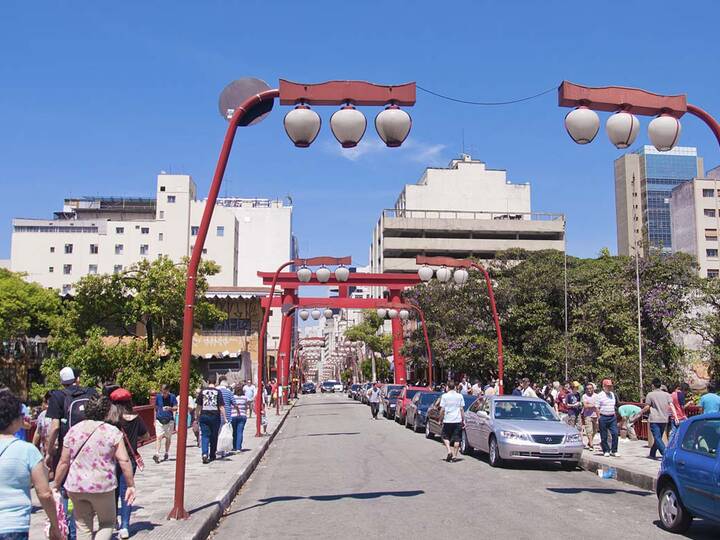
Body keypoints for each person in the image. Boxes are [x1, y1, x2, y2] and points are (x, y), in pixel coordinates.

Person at [53, 395, 136, 540]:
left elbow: (64, 461)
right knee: (107, 523)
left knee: (83, 526)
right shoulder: (112, 432)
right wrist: (130, 484)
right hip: (102, 485)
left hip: (76, 486)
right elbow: (124, 459)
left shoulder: (74, 430)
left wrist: (56, 484)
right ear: (106, 412)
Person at [0, 390, 63, 540]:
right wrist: (55, 525)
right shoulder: (27, 450)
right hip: (14, 525)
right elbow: (44, 493)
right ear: (15, 419)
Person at [45, 366, 97, 539]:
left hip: (67, 450)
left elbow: (54, 428)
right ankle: (84, 528)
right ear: (78, 379)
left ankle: (70, 531)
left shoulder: (57, 396)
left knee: (66, 491)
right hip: (90, 450)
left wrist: (49, 451)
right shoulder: (90, 392)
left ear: (61, 381)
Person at [108, 388, 148, 539]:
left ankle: (112, 521)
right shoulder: (136, 418)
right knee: (127, 491)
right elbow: (146, 434)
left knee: (112, 491)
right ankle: (125, 526)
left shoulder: (111, 420)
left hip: (111, 460)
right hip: (129, 460)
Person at [643, 378, 677, 460]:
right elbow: (672, 406)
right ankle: (652, 453)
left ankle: (666, 454)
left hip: (654, 419)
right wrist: (675, 416)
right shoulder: (667, 395)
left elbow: (647, 407)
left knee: (657, 438)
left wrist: (640, 412)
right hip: (664, 418)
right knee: (658, 437)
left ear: (653, 385)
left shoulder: (650, 394)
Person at [196, 382, 226, 463]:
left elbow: (198, 406)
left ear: (208, 382)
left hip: (204, 415)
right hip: (215, 416)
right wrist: (225, 418)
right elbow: (221, 406)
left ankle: (205, 453)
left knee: (205, 435)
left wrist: (197, 416)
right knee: (214, 435)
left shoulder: (202, 391)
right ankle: (212, 454)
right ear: (215, 383)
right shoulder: (218, 392)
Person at [439, 381, 465, 463]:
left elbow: (442, 409)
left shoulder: (444, 396)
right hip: (457, 420)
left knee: (445, 436)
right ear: (454, 387)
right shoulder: (460, 396)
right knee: (457, 439)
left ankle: (449, 451)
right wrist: (463, 419)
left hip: (448, 420)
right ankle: (455, 456)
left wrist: (440, 419)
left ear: (447, 387)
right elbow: (461, 409)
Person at [153, 384, 177, 464]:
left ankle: (166, 452)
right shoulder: (158, 397)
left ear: (168, 391)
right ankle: (157, 454)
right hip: (159, 420)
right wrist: (154, 419)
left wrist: (170, 408)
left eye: (165, 392)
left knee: (168, 438)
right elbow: (155, 408)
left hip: (169, 420)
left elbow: (176, 407)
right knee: (158, 437)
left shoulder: (172, 397)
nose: (164, 394)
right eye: (162, 392)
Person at [596, 379, 619, 457]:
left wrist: (615, 415)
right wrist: (599, 418)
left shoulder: (612, 394)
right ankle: (606, 450)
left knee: (615, 433)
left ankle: (614, 450)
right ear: (604, 386)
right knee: (604, 435)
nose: (609, 388)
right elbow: (597, 407)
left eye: (610, 386)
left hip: (612, 417)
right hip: (603, 416)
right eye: (608, 386)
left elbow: (615, 405)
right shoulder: (600, 395)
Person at [581, 382, 598, 450]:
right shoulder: (584, 396)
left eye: (590, 388)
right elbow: (585, 406)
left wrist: (590, 404)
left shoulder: (597, 396)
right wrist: (593, 405)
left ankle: (589, 442)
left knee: (595, 430)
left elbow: (598, 405)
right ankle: (591, 445)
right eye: (587, 389)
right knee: (589, 430)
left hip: (595, 415)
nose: (589, 390)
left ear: (593, 389)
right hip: (587, 415)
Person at [231, 386, 248, 451]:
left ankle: (234, 446)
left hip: (233, 415)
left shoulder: (233, 397)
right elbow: (246, 406)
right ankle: (238, 447)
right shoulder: (244, 398)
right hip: (242, 416)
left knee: (234, 432)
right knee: (240, 432)